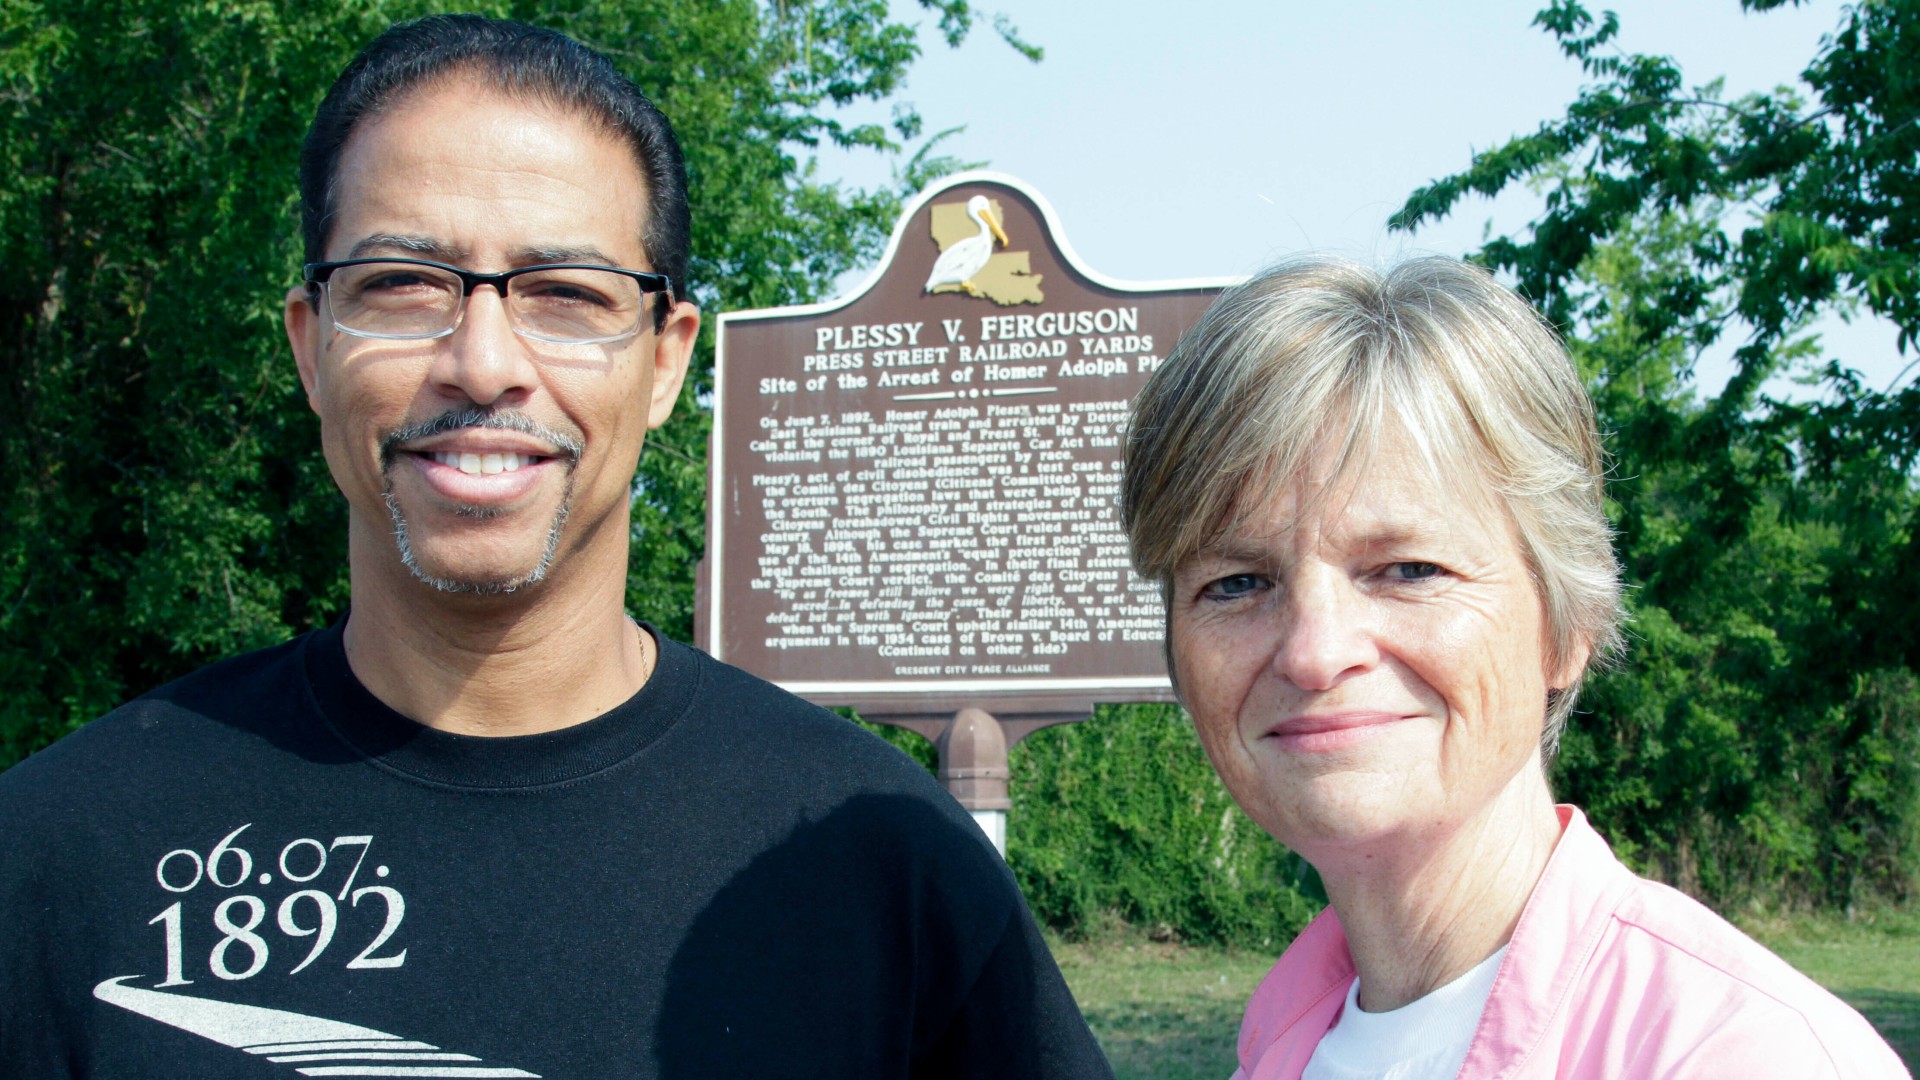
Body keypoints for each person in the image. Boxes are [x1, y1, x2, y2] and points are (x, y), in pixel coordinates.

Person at [0, 15, 1112, 1078]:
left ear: (667, 360)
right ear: (312, 344)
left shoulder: (883, 869)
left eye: (567, 294)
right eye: (403, 285)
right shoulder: (57, 858)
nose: (483, 363)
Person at [1120, 255, 1909, 1080]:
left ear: (1569, 625)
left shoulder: (1742, 1055)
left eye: (1409, 570)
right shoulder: (1284, 1035)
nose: (1314, 652)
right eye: (1237, 583)